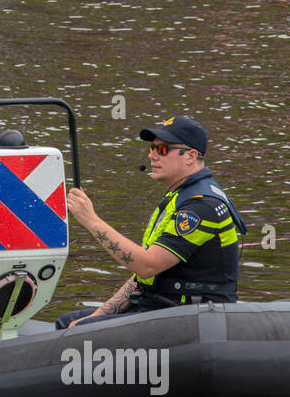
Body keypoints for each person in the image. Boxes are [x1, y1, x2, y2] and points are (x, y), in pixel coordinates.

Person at [54, 116, 246, 331]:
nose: (152, 155)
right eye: (152, 148)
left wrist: (91, 221)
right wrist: (98, 314)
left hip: (192, 317)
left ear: (191, 156)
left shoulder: (201, 207)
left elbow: (147, 266)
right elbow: (143, 277)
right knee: (68, 322)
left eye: (162, 149)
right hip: (162, 306)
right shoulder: (179, 197)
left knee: (81, 331)